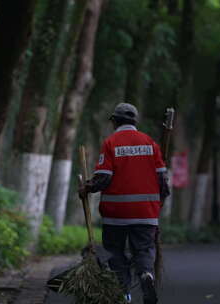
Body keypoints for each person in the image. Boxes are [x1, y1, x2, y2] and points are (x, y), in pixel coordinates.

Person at [79, 103, 170, 304]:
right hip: (146, 212)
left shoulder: (111, 143)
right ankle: (146, 274)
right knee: (144, 249)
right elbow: (162, 181)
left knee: (115, 252)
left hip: (116, 214)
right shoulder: (150, 143)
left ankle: (124, 294)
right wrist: (159, 203)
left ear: (115, 121)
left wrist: (87, 188)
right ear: (134, 121)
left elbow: (103, 178)